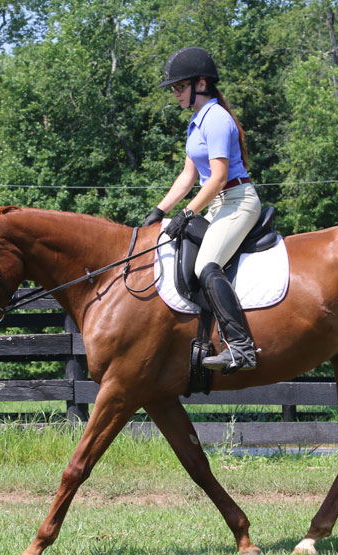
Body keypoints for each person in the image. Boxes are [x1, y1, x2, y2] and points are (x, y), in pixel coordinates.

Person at [142, 47, 261, 374]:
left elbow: (219, 176)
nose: (176, 94)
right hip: (219, 204)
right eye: (174, 89)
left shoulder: (217, 119)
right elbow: (188, 175)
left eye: (180, 87)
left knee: (207, 266)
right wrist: (160, 210)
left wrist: (188, 213)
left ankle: (241, 348)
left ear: (202, 84)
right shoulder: (197, 122)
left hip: (237, 200)